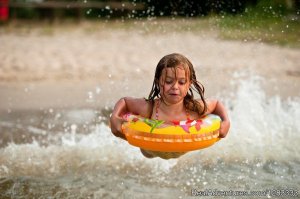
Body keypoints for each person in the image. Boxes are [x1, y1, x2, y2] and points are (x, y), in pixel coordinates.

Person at [110, 53, 230, 159]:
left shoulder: (194, 109)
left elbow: (216, 104)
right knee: (149, 155)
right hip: (150, 151)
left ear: (189, 84)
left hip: (181, 148)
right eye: (168, 81)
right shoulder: (149, 108)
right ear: (158, 81)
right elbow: (125, 101)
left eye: (182, 82)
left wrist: (226, 121)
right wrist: (115, 117)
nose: (175, 87)